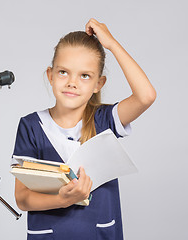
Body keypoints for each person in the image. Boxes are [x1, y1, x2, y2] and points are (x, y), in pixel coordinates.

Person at [11, 18, 156, 240]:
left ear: (99, 83)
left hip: (99, 233)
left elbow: (146, 96)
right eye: (63, 72)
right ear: (50, 75)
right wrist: (63, 200)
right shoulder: (31, 126)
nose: (72, 82)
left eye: (85, 76)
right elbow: (22, 198)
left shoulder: (105, 119)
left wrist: (112, 44)